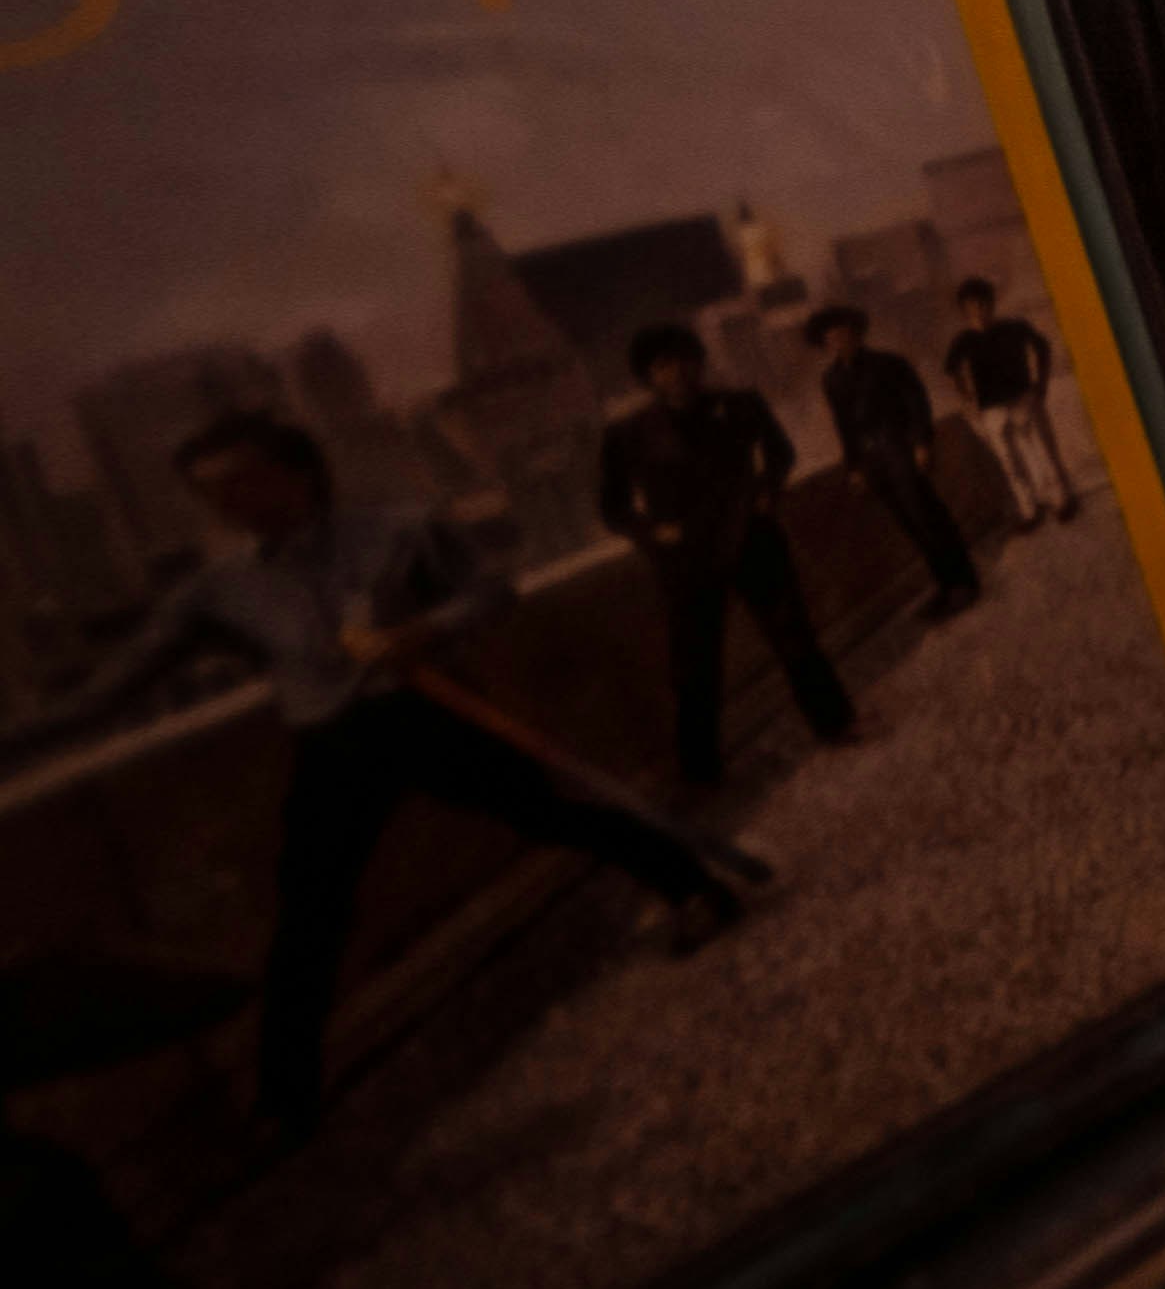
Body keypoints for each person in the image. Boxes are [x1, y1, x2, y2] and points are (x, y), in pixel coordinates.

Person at [87, 412, 736, 1139]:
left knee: (551, 812)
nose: (227, 500)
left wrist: (420, 633)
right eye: (208, 491)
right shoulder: (218, 591)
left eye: (242, 479)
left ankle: (695, 888)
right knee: (310, 913)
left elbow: (493, 593)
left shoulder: (400, 530)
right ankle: (285, 1100)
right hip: (331, 746)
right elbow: (113, 689)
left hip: (426, 714)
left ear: (296, 471)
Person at [600, 323, 860, 793]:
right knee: (695, 671)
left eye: (684, 359)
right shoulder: (628, 434)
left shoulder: (740, 405)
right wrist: (652, 533)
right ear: (648, 377)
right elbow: (612, 507)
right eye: (662, 366)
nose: (677, 372)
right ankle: (701, 773)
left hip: (752, 543)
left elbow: (781, 453)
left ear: (698, 362)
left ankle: (835, 724)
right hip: (686, 563)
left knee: (795, 641)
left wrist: (766, 492)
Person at [807, 306, 981, 615]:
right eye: (830, 339)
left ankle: (965, 582)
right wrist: (855, 468)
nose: (837, 342)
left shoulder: (887, 363)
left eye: (842, 334)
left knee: (929, 517)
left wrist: (921, 444)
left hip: (901, 449)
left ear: (856, 334)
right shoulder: (832, 380)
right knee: (911, 526)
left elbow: (916, 403)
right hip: (874, 462)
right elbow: (844, 427)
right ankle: (944, 585)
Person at [940, 276, 1070, 525]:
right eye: (972, 306)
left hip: (1022, 398)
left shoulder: (1014, 327)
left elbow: (1042, 348)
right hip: (991, 410)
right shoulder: (963, 341)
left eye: (983, 303)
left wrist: (1040, 384)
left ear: (992, 303)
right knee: (1009, 462)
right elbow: (951, 371)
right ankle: (1029, 509)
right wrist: (967, 399)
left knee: (1040, 451)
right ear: (964, 310)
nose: (979, 310)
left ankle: (1060, 500)